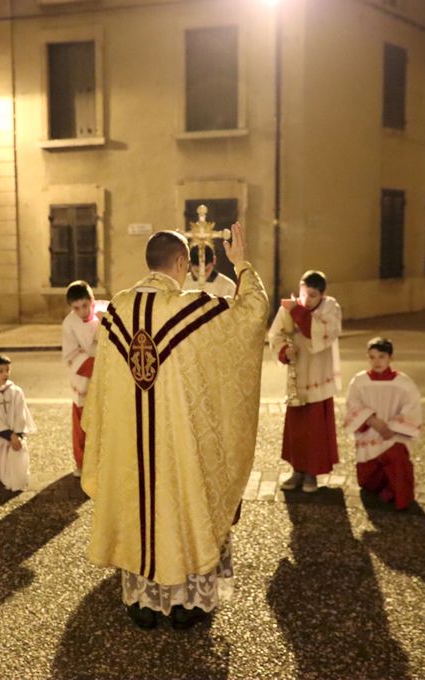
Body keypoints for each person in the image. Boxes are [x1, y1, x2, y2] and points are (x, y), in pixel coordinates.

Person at [82, 223, 269, 630]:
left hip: (131, 442)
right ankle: (187, 604)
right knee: (181, 503)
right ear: (182, 262)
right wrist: (242, 265)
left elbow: (103, 389)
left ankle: (143, 602)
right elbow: (251, 317)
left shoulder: (116, 311)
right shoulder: (192, 309)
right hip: (178, 442)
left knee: (139, 503)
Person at [267, 269, 342, 493]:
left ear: (322, 295)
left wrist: (298, 312)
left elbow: (322, 333)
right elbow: (275, 335)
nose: (307, 300)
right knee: (297, 430)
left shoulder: (331, 308)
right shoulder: (291, 306)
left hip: (318, 376)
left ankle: (312, 475)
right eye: (304, 293)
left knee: (316, 430)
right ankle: (297, 471)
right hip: (297, 377)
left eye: (313, 295)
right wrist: (283, 352)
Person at [343, 337, 421, 510]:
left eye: (381, 357)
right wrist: (372, 420)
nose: (376, 361)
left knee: (397, 460)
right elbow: (352, 405)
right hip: (369, 435)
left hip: (393, 437)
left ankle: (399, 496)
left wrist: (391, 428)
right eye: (372, 357)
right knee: (367, 482)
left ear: (390, 358)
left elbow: (412, 408)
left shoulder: (403, 382)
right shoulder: (359, 381)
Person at [61, 281, 107, 477]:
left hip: (106, 377)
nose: (82, 312)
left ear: (92, 301)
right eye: (76, 308)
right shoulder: (69, 324)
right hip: (85, 379)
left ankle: (105, 462)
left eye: (85, 306)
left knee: (106, 422)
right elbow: (71, 355)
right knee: (82, 426)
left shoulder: (105, 311)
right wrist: (99, 366)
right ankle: (83, 465)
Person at [0, 354, 35, 492]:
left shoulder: (16, 391)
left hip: (15, 435)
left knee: (18, 459)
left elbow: (20, 414)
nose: (5, 374)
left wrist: (17, 435)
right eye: (0, 371)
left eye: (8, 370)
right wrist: (9, 435)